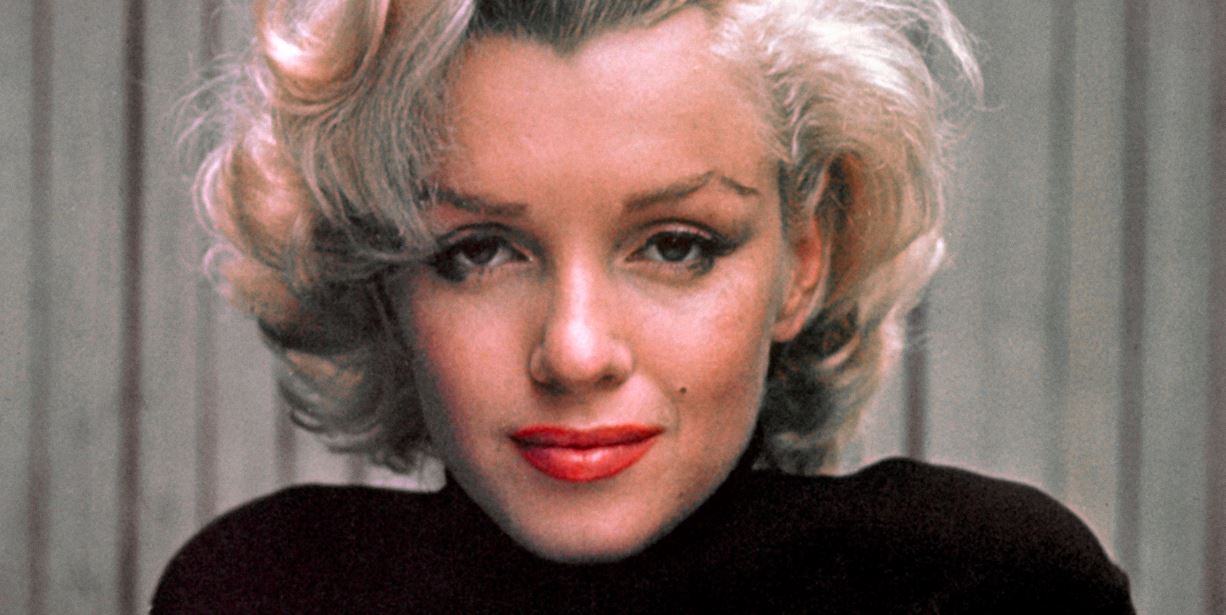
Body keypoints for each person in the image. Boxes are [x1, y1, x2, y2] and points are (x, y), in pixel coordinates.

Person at [153, 0, 1134, 612]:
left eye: (675, 245)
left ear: (803, 259)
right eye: (478, 251)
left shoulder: (981, 588)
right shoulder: (260, 592)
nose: (576, 351)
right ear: (381, 275)